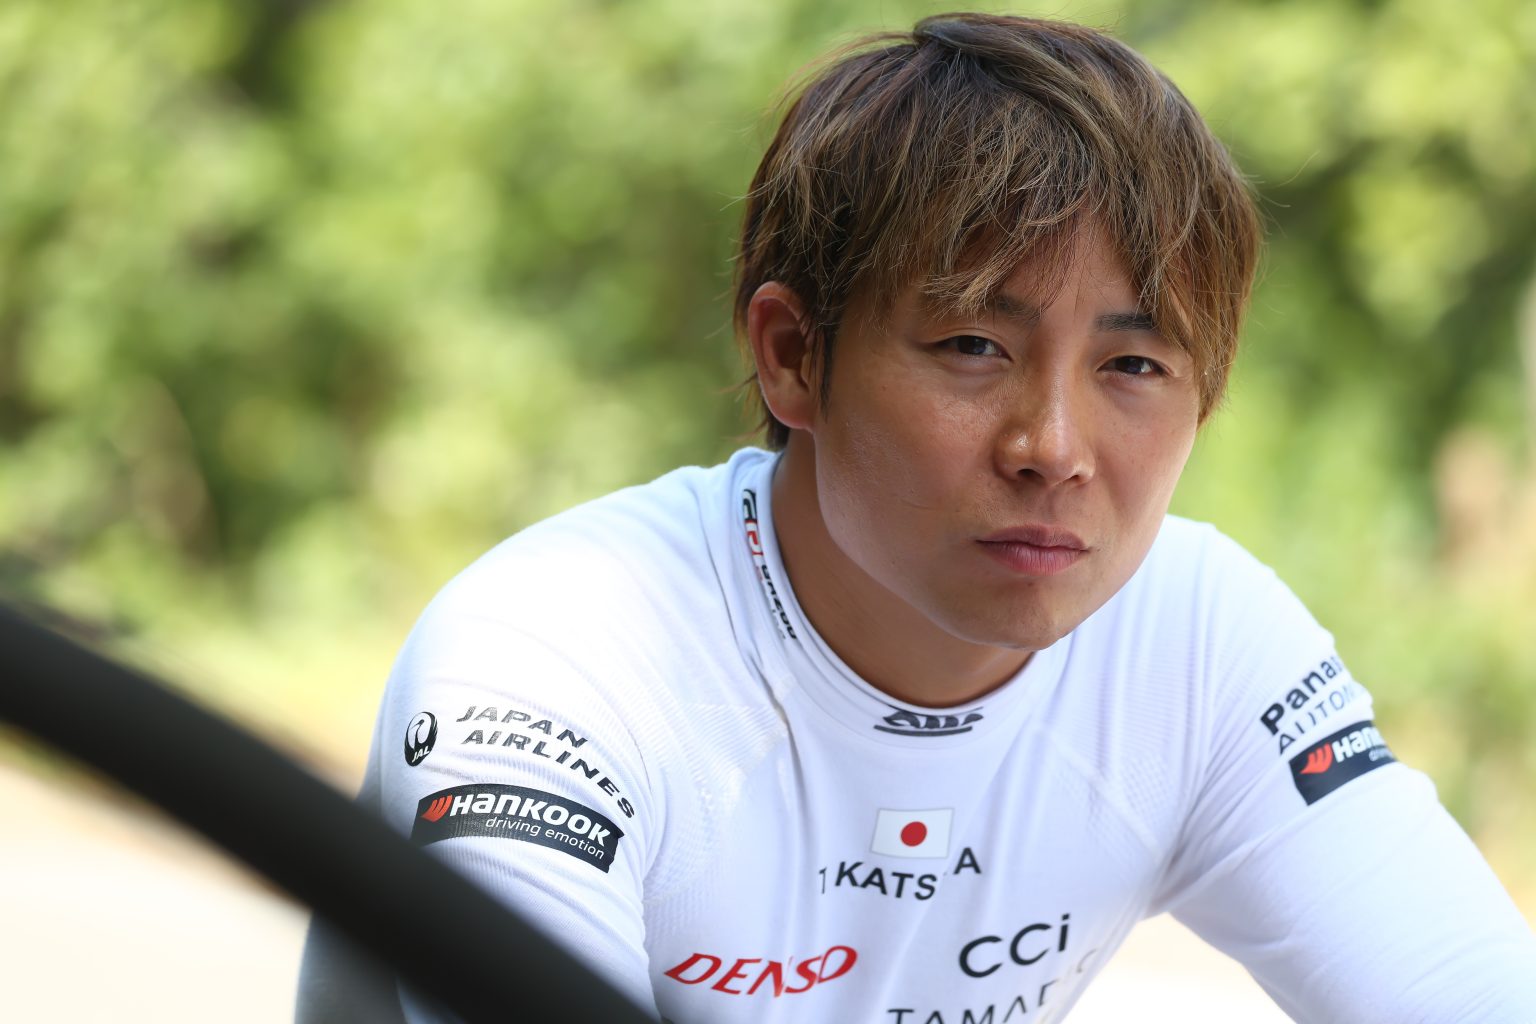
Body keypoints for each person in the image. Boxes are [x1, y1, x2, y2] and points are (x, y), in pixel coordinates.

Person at [296, 13, 1536, 1023]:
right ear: (793, 356)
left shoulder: (1201, 643)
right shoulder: (557, 655)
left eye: (1134, 365)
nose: (1053, 448)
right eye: (973, 345)